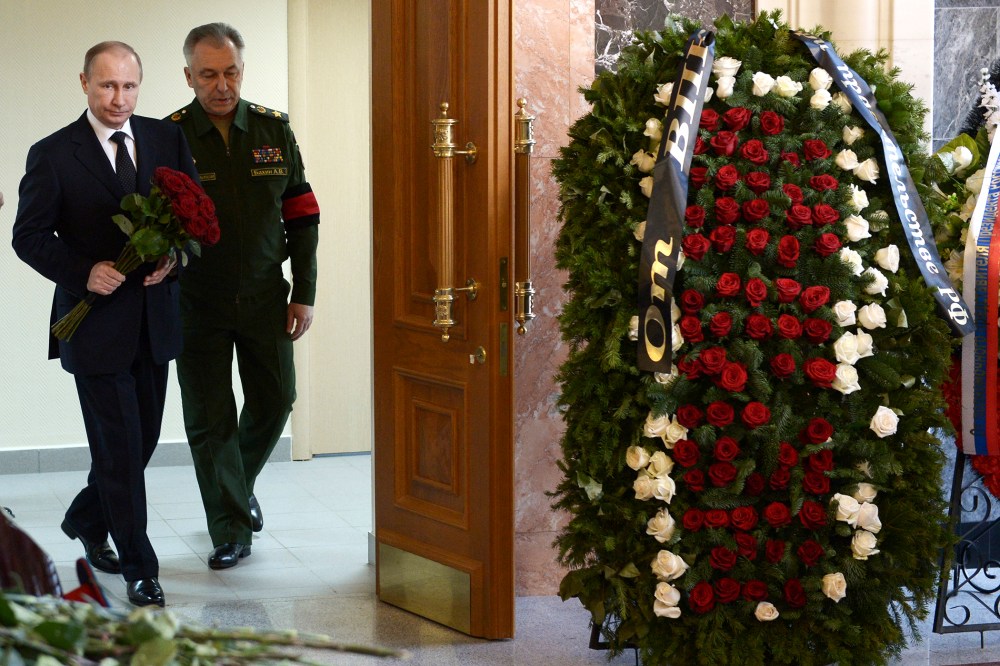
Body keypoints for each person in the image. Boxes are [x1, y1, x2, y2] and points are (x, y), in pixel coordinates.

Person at [12, 42, 199, 607]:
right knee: (119, 451)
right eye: (107, 86)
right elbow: (28, 236)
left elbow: (197, 219)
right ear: (85, 84)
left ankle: (84, 521)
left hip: (154, 321)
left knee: (136, 446)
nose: (119, 98)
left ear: (141, 85)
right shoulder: (53, 153)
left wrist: (176, 256)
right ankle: (141, 566)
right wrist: (82, 270)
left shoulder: (167, 139)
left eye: (129, 86)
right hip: (93, 326)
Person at [169, 23, 320, 570]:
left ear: (242, 70)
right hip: (195, 301)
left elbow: (302, 214)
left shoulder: (273, 130)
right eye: (208, 74)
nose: (221, 85)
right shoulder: (170, 136)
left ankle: (238, 484)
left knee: (276, 399)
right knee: (210, 418)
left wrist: (304, 291)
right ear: (189, 76)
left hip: (264, 295)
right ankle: (230, 528)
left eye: (230, 72)